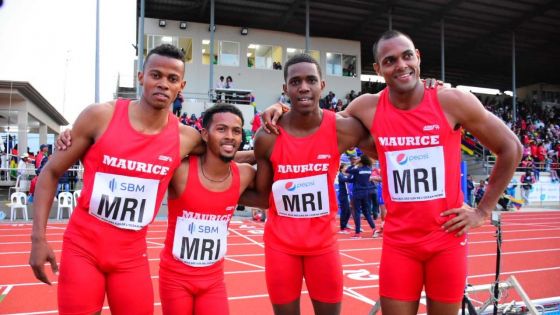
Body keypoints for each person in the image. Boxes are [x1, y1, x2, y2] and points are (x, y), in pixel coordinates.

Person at [262, 30, 522, 315]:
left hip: (446, 240)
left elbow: (511, 148)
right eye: (390, 60)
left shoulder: (452, 101)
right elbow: (318, 126)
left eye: (407, 56)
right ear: (377, 68)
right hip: (400, 245)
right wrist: (282, 109)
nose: (400, 65)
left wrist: (483, 211)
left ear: (418, 57)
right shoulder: (367, 107)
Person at [29, 44, 206, 315]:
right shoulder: (100, 116)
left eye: (172, 79)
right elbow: (51, 172)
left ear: (181, 85)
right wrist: (38, 239)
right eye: (155, 75)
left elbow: (228, 153)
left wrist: (276, 121)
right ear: (140, 77)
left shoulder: (186, 138)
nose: (163, 84)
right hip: (83, 250)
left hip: (131, 257)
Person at [252, 53, 374, 315]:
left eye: (310, 80)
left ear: (322, 85)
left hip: (323, 246)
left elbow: (384, 145)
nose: (303, 87)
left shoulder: (344, 129)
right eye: (295, 82)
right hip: (280, 247)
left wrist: (425, 93)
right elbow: (262, 196)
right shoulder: (267, 137)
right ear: (285, 89)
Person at [159, 104, 257, 315]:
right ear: (204, 134)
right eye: (221, 129)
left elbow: (267, 197)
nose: (230, 136)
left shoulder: (245, 175)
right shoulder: (180, 171)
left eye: (236, 131)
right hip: (175, 278)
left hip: (213, 281)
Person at [346, 154, 377, 238]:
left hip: (358, 192)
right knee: (366, 212)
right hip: (366, 192)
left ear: (361, 161)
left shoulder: (357, 169)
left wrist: (354, 164)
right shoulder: (369, 170)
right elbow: (355, 179)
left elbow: (347, 170)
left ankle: (357, 233)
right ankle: (374, 229)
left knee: (357, 213)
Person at [337, 163, 352, 234]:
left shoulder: (344, 175)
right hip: (343, 195)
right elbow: (346, 180)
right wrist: (351, 174)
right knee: (344, 211)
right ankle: (342, 228)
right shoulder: (340, 175)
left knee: (348, 211)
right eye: (345, 167)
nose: (347, 168)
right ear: (342, 168)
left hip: (346, 195)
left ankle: (345, 225)